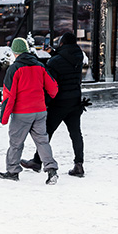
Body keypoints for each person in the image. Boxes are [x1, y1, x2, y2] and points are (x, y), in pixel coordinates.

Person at [22, 32, 86, 177]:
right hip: (75, 101)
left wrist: (45, 103)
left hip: (59, 102)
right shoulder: (78, 56)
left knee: (47, 132)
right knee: (76, 134)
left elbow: (49, 83)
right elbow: (65, 60)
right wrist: (53, 52)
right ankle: (79, 164)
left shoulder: (55, 62)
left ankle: (37, 161)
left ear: (62, 43)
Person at [0, 37, 58, 184]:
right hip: (40, 111)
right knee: (42, 142)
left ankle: (12, 171)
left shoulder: (14, 69)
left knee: (16, 143)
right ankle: (51, 170)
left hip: (22, 113)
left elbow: (9, 95)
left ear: (15, 52)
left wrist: (4, 117)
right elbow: (53, 89)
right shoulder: (40, 66)